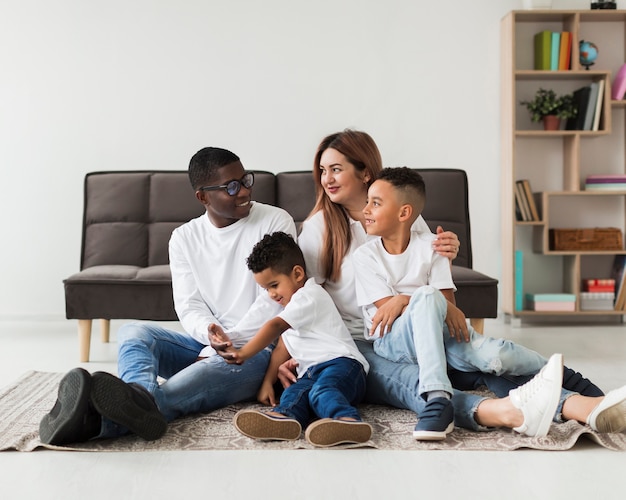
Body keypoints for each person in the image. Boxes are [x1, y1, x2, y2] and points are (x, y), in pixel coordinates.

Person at [278, 129, 626, 438]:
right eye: (322, 171)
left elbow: (431, 275)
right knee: (409, 383)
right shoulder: (319, 228)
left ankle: (586, 406)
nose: (326, 179)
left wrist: (441, 260)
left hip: (420, 326)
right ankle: (507, 412)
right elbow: (301, 299)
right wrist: (296, 351)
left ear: (365, 171)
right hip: (359, 341)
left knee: (481, 362)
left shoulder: (404, 213)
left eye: (335, 169)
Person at [39, 147, 297, 445]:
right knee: (133, 330)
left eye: (245, 180)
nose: (244, 191)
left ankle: (97, 423)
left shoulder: (275, 222)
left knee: (176, 393)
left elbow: (274, 302)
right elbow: (189, 304)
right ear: (202, 197)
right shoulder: (184, 237)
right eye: (231, 186)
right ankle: (139, 396)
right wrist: (208, 333)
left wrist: (225, 345)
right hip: (206, 346)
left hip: (257, 352)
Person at [353, 167, 571, 439]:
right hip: (391, 342)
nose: (366, 210)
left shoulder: (433, 246)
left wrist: (405, 299)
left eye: (375, 203)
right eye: (367, 202)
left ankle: (562, 373)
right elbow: (389, 315)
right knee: (427, 295)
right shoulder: (364, 257)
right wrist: (413, 299)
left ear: (404, 213)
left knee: (497, 355)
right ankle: (437, 396)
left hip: (437, 333)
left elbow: (446, 305)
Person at [211, 231, 372, 447]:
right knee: (295, 393)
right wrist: (268, 382)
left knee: (322, 392)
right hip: (312, 371)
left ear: (297, 274)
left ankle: (347, 421)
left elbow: (275, 326)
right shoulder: (292, 307)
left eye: (274, 285)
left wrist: (243, 354)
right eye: (266, 289)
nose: (271, 294)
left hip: (343, 365)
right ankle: (284, 419)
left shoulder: (309, 296)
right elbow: (281, 348)